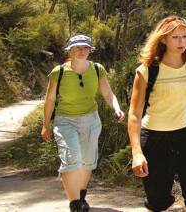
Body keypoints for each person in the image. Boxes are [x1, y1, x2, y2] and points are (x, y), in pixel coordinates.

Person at [128, 16, 186, 212]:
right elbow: (134, 114)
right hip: (156, 140)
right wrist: (137, 152)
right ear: (163, 39)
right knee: (157, 203)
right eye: (175, 37)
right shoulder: (147, 71)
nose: (181, 42)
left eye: (185, 36)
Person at [41, 34, 126, 212]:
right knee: (70, 159)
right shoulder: (59, 72)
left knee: (87, 160)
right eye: (77, 48)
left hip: (91, 120)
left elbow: (107, 93)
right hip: (65, 121)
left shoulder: (97, 69)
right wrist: (46, 124)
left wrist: (116, 108)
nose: (82, 51)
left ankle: (81, 197)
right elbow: (49, 100)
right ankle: (74, 203)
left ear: (90, 50)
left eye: (85, 48)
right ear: (70, 50)